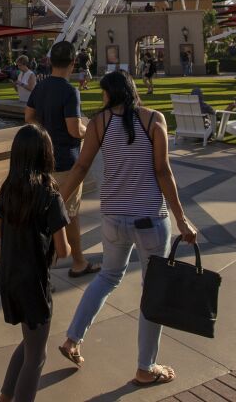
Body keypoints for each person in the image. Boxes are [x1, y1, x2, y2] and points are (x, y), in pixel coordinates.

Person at [56, 70, 198, 386]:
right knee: (153, 291)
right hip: (150, 220)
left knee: (107, 276)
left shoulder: (99, 123)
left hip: (113, 219)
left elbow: (80, 167)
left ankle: (72, 339)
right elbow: (163, 171)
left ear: (110, 94)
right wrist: (181, 218)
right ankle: (145, 367)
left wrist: (58, 199)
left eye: (104, 95)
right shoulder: (153, 120)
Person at [0, 124, 70, 402]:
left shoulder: (8, 188)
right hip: (35, 283)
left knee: (29, 343)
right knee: (38, 355)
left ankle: (4, 396)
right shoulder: (50, 196)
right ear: (46, 155)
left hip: (10, 277)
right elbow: (63, 248)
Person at [25, 40, 95, 278]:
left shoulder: (40, 88)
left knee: (49, 211)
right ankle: (76, 262)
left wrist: (45, 136)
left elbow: (29, 118)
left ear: (50, 62)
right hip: (66, 162)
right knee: (69, 214)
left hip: (43, 162)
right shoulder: (69, 91)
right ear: (73, 63)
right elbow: (74, 129)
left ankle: (54, 265)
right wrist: (88, 130)